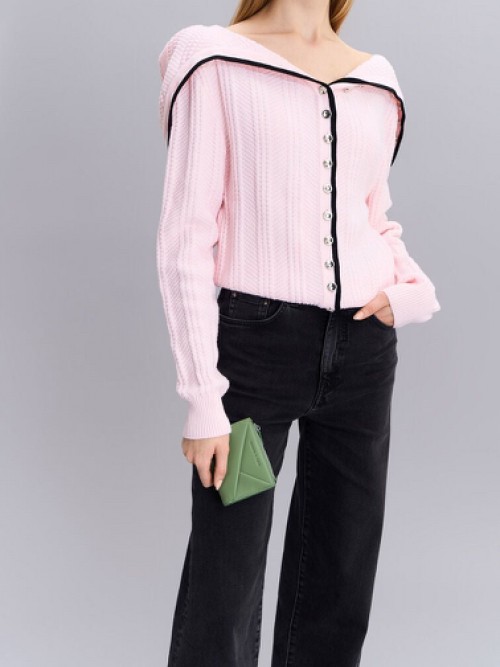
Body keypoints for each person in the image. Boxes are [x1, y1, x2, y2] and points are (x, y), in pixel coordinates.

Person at [155, 1, 441, 665]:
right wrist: (203, 398)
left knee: (341, 569)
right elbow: (185, 237)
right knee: (228, 568)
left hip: (362, 358)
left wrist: (410, 289)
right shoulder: (214, 59)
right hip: (258, 358)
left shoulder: (377, 80)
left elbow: (374, 217)